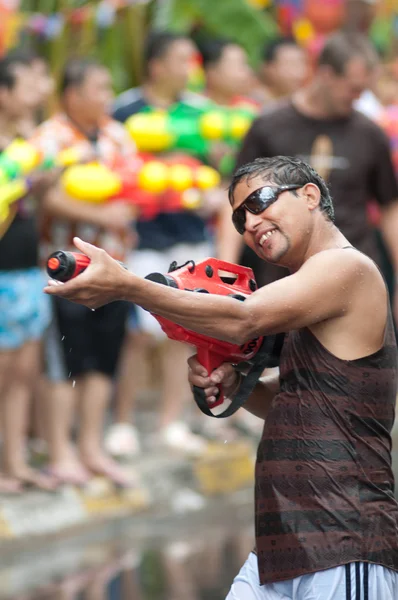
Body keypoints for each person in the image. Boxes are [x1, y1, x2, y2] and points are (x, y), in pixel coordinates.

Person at [44, 154, 398, 599]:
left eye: (261, 201)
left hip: (346, 541)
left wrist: (128, 286)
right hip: (283, 549)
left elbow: (243, 320)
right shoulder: (310, 287)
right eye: (239, 216)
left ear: (310, 195)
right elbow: (302, 406)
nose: (250, 222)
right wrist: (239, 387)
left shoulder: (347, 267)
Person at [226, 33, 398, 322]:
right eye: (353, 89)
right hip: (282, 279)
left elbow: (390, 207)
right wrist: (227, 267)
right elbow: (234, 198)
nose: (358, 97)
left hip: (355, 276)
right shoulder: (269, 126)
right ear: (326, 74)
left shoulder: (370, 133)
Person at [108, 31, 221, 457]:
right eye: (178, 59)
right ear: (156, 65)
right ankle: (121, 423)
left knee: (184, 332)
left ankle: (171, 422)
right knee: (139, 335)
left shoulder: (200, 113)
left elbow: (218, 168)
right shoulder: (124, 110)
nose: (188, 68)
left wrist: (213, 193)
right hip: (142, 238)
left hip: (189, 237)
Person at [32, 58, 136, 486]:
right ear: (72, 94)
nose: (107, 95)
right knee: (65, 362)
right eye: (99, 87)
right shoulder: (48, 139)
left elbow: (134, 189)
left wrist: (123, 213)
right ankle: (60, 451)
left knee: (103, 359)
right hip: (65, 268)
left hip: (112, 267)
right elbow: (45, 199)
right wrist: (105, 214)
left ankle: (91, 448)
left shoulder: (118, 136)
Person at [0, 51, 57, 491]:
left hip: (24, 269)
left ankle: (15, 462)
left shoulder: (26, 141)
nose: (36, 93)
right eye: (27, 85)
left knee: (22, 373)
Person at [251, 37, 309, 106]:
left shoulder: (302, 101)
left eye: (302, 63)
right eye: (291, 65)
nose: (299, 73)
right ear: (270, 68)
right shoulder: (253, 104)